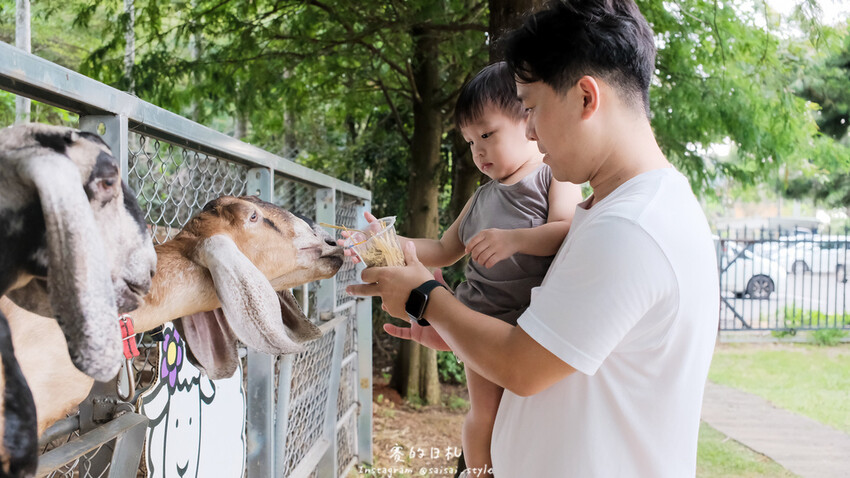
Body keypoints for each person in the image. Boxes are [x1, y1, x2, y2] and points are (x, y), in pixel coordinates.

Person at [348, 0, 720, 476]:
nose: (529, 130)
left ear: (586, 98)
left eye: (531, 108)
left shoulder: (630, 229)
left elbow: (522, 367)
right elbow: (550, 346)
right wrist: (460, 330)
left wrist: (426, 297)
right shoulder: (623, 212)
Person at [347, 61, 583, 477]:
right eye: (470, 141)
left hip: (533, 329)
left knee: (535, 417)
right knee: (483, 414)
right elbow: (440, 249)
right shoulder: (479, 200)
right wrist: (386, 245)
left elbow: (567, 229)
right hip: (478, 323)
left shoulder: (553, 175)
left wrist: (515, 240)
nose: (478, 151)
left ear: (529, 120)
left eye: (488, 135)